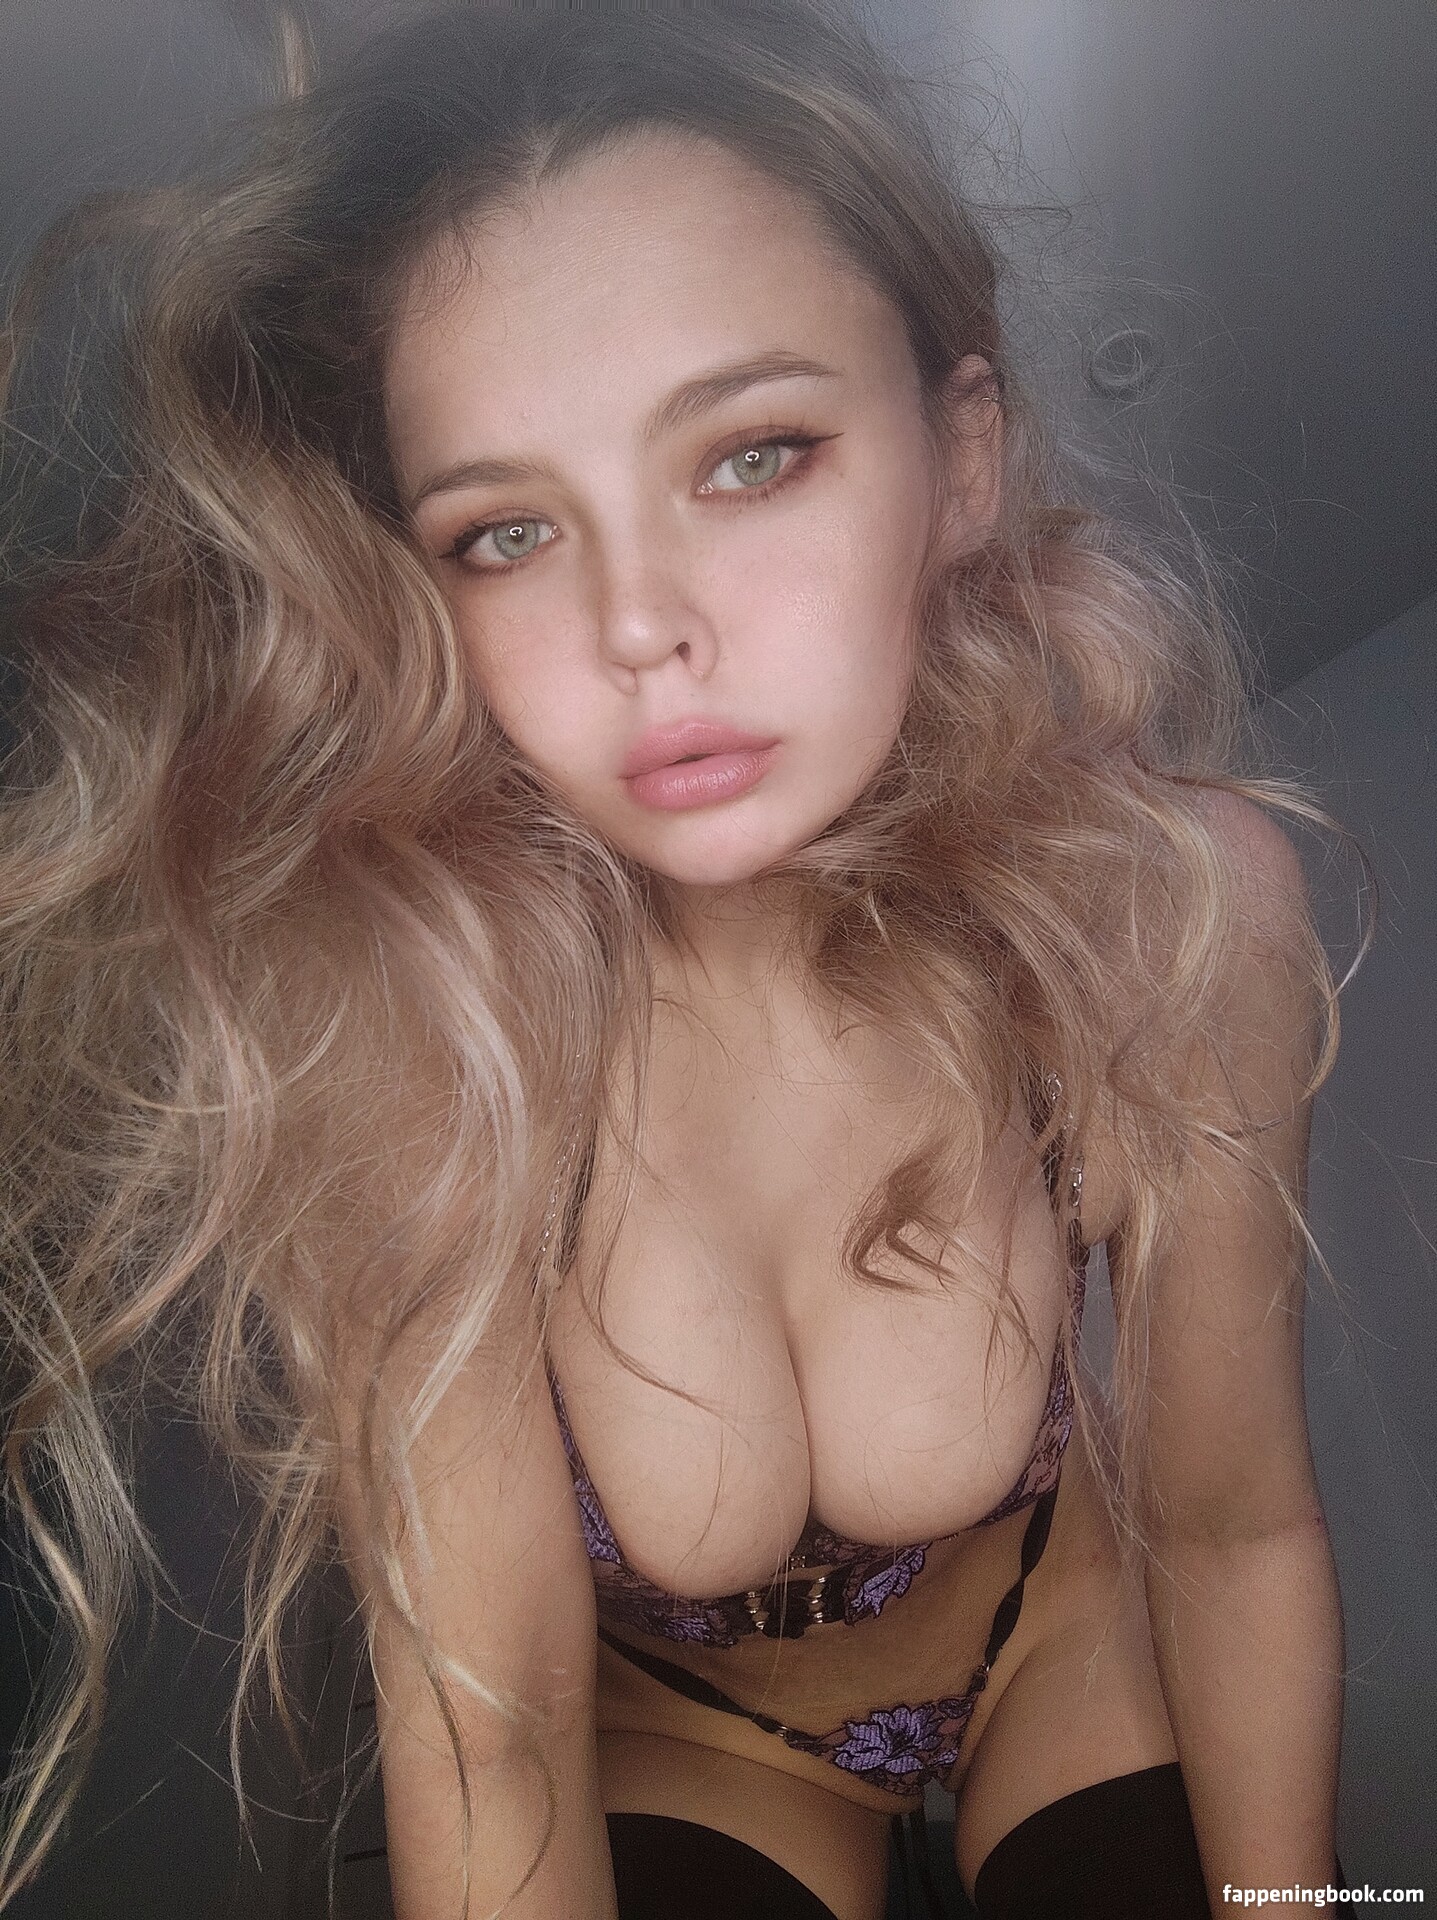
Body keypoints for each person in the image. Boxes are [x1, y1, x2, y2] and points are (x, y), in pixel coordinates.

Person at [0, 3, 1353, 1916]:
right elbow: (492, 1730)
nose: (640, 624)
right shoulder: (417, 1047)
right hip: (696, 1747)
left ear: (958, 456)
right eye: (504, 534)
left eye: (752, 456)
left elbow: (1230, 1530)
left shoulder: (1159, 915)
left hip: (1074, 1653)